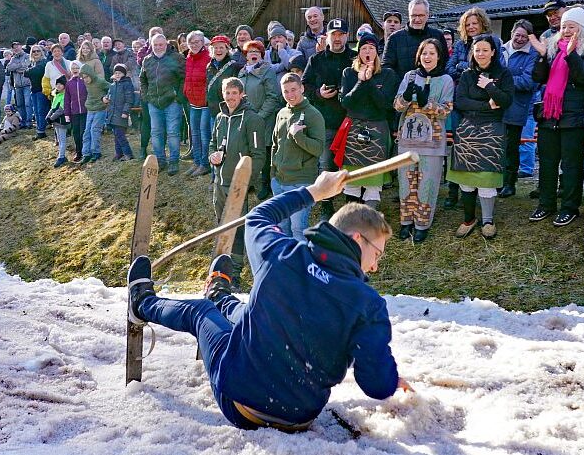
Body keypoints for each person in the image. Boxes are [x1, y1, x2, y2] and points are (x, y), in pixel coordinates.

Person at [126, 169, 409, 432]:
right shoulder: (368, 304)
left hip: (242, 406)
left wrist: (315, 191)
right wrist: (388, 378)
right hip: (299, 417)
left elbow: (259, 217)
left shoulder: (282, 254)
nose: (374, 266)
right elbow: (376, 385)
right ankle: (218, 296)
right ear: (357, 238)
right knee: (258, 314)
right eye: (377, 254)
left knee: (201, 313)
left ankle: (143, 302)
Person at [530, 6, 584, 227]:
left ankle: (570, 207)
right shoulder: (552, 50)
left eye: (571, 26)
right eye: (563, 27)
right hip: (549, 116)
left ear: (581, 28)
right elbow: (538, 78)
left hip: (574, 118)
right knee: (547, 164)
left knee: (571, 166)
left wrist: (571, 54)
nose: (566, 30)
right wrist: (543, 57)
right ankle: (546, 204)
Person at [448, 35, 514, 239]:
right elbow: (461, 102)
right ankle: (469, 219)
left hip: (492, 129)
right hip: (467, 128)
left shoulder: (503, 74)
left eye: (485, 50)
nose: (481, 54)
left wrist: (489, 86)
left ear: (493, 52)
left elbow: (506, 100)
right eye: (477, 50)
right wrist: (486, 105)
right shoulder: (467, 75)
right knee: (466, 177)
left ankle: (487, 220)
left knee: (486, 177)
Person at [394, 38, 454, 243]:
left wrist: (427, 103)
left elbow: (446, 111)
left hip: (433, 141)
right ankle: (406, 221)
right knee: (406, 183)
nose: (427, 57)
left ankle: (422, 223)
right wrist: (406, 98)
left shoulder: (446, 80)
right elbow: (397, 105)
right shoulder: (410, 76)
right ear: (419, 56)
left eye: (432, 53)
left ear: (439, 56)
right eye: (424, 53)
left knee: (426, 184)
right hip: (408, 142)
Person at [209, 76, 265, 286]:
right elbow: (213, 143)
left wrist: (246, 182)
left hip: (238, 186)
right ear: (222, 94)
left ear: (242, 94)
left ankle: (235, 275)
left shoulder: (253, 119)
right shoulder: (219, 117)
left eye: (234, 93)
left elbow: (259, 155)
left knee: (238, 230)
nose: (231, 97)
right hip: (219, 182)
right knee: (222, 227)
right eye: (227, 93)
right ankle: (219, 271)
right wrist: (212, 156)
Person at [302, 18, 356, 218]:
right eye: (334, 34)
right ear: (327, 36)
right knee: (326, 164)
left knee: (350, 163)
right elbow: (304, 86)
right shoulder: (316, 60)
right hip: (325, 119)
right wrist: (318, 93)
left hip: (351, 118)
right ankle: (326, 204)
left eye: (341, 34)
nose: (338, 38)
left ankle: (351, 203)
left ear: (347, 36)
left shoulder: (355, 58)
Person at [335, 33, 394, 210]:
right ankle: (352, 219)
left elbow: (385, 105)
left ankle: (368, 221)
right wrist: (361, 82)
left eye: (371, 48)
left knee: (373, 180)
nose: (367, 52)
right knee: (352, 179)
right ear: (358, 52)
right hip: (354, 128)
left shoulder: (387, 74)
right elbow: (346, 102)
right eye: (363, 48)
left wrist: (369, 82)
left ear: (377, 52)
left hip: (377, 128)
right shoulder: (348, 73)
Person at [381, 0, 448, 140]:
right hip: (403, 100)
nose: (417, 19)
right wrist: (405, 88)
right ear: (408, 15)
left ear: (428, 15)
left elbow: (444, 65)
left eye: (421, 15)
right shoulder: (395, 38)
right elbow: (387, 68)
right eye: (414, 15)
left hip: (432, 99)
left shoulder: (437, 36)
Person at [270, 72, 326, 241]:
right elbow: (275, 144)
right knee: (282, 227)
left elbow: (318, 149)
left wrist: (298, 136)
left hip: (300, 182)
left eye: (293, 90)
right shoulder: (281, 113)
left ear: (302, 88)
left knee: (298, 229)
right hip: (279, 181)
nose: (290, 95)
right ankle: (286, 264)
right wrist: (273, 173)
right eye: (286, 91)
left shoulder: (313, 115)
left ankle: (301, 266)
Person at [499, 20, 540, 198]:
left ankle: (509, 183)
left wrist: (500, 83)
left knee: (511, 147)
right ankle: (496, 181)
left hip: (517, 106)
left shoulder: (532, 54)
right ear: (512, 34)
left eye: (524, 36)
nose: (520, 39)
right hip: (496, 105)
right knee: (497, 145)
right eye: (518, 35)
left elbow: (527, 82)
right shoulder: (501, 49)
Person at [239, 39, 282, 199]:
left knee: (262, 151)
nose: (254, 54)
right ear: (246, 55)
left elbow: (272, 97)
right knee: (248, 149)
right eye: (250, 52)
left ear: (262, 55)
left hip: (264, 119)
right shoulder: (242, 72)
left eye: (257, 52)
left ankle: (265, 184)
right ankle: (249, 182)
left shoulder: (267, 71)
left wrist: (259, 116)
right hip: (246, 118)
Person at [140, 33, 185, 175]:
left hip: (172, 102)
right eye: (155, 45)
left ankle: (173, 161)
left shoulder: (177, 58)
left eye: (161, 44)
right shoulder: (147, 60)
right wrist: (146, 96)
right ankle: (160, 160)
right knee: (156, 132)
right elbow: (143, 80)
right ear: (152, 46)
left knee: (172, 132)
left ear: (166, 44)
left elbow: (183, 78)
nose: (158, 47)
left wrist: (178, 96)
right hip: (153, 102)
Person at [184, 30, 212, 176]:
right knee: (194, 133)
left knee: (204, 134)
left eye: (197, 42)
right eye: (191, 42)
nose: (194, 45)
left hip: (205, 103)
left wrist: (206, 98)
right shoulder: (188, 57)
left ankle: (204, 163)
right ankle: (196, 161)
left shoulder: (208, 57)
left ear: (202, 42)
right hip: (193, 101)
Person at [79, 62, 109, 164]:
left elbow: (111, 88)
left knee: (94, 130)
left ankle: (96, 152)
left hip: (100, 109)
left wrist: (106, 98)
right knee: (87, 131)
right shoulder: (86, 83)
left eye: (87, 77)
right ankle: (86, 153)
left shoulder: (100, 81)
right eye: (83, 77)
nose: (85, 79)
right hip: (90, 109)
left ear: (91, 74)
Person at [106, 64, 134, 161]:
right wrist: (105, 98)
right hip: (112, 114)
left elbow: (129, 99)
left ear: (124, 74)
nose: (117, 74)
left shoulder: (127, 84)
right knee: (116, 135)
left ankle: (128, 154)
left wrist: (125, 111)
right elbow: (109, 95)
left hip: (121, 113)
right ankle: (119, 153)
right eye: (116, 73)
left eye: (120, 73)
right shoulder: (113, 85)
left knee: (120, 135)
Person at [25, 45, 49, 140]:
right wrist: (29, 71)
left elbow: (36, 71)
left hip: (41, 90)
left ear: (41, 52)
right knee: (36, 111)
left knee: (41, 111)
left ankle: (41, 131)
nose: (36, 53)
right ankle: (39, 130)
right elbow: (26, 73)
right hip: (33, 90)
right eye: (33, 51)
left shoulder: (44, 62)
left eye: (38, 51)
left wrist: (29, 71)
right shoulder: (32, 63)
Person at [7, 41, 32, 128]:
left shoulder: (27, 56)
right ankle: (23, 121)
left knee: (28, 103)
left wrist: (16, 68)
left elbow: (27, 66)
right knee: (20, 104)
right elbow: (9, 68)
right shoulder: (13, 58)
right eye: (14, 47)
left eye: (17, 46)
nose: (16, 48)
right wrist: (19, 66)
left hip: (27, 84)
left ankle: (29, 122)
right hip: (17, 85)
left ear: (21, 46)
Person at [46, 76, 69, 168]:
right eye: (57, 84)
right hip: (55, 121)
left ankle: (61, 157)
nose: (58, 86)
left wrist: (51, 118)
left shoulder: (65, 95)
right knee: (59, 139)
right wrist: (48, 116)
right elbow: (53, 107)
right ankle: (62, 155)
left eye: (61, 84)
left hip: (61, 120)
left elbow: (61, 110)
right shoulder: (56, 94)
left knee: (62, 140)